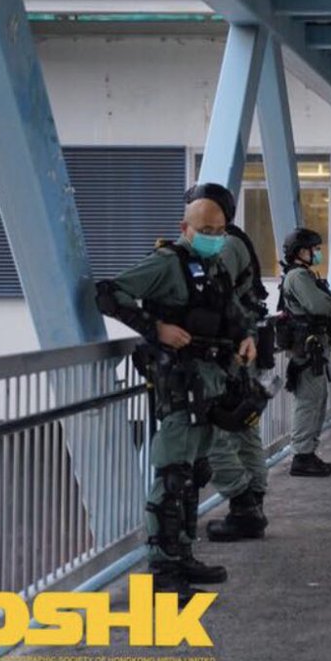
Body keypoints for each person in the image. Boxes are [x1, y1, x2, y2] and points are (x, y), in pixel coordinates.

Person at [95, 194, 260, 598]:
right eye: (206, 231)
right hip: (179, 381)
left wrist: (246, 337)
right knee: (172, 475)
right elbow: (109, 293)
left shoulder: (215, 265)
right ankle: (162, 571)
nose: (215, 238)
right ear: (185, 229)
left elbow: (232, 311)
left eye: (220, 232)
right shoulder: (167, 263)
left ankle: (182, 556)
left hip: (209, 381)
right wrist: (157, 329)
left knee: (194, 473)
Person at [180, 183, 274, 543]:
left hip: (226, 353)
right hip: (241, 350)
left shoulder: (226, 247)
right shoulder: (238, 241)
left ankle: (242, 503)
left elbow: (210, 297)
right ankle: (254, 504)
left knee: (217, 430)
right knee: (245, 428)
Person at [279, 228, 331, 478]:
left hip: (312, 346)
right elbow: (320, 305)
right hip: (307, 348)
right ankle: (302, 456)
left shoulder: (303, 275)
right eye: (313, 249)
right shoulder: (299, 277)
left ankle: (308, 452)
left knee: (317, 400)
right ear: (300, 251)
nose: (317, 253)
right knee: (309, 401)